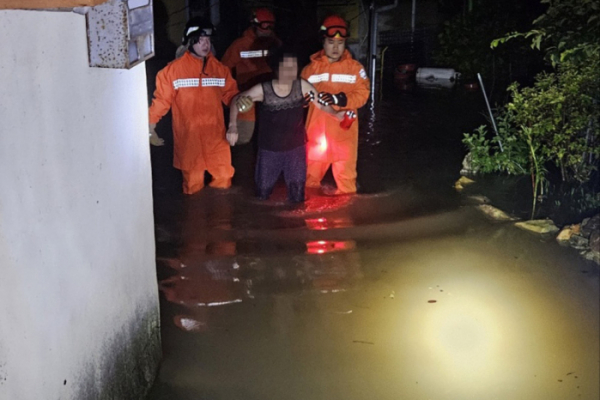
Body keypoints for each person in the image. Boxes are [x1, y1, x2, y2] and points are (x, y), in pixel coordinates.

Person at [226, 49, 343, 203]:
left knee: (298, 196)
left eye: (293, 67)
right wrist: (233, 126)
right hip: (269, 150)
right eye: (286, 67)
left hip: (296, 149)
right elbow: (236, 100)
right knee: (262, 195)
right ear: (277, 68)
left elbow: (321, 104)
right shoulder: (263, 89)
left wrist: (336, 114)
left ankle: (297, 225)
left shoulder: (302, 85)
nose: (290, 71)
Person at [149, 17, 238, 195]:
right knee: (193, 187)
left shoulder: (220, 69)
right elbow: (161, 102)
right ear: (189, 41)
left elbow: (233, 97)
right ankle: (195, 219)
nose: (205, 44)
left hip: (216, 136)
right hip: (189, 139)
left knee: (224, 180)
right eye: (200, 40)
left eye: (208, 40)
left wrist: (238, 119)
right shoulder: (171, 72)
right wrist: (150, 128)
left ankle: (221, 221)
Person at [300, 15, 370, 195]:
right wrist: (302, 102)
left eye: (340, 43)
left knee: (346, 186)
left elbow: (363, 94)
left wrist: (340, 99)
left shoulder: (355, 69)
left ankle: (346, 220)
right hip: (316, 136)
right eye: (331, 42)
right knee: (308, 183)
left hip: (344, 136)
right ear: (323, 42)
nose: (336, 47)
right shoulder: (310, 69)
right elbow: (298, 98)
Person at [221, 8, 282, 145]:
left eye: (270, 26)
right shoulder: (240, 45)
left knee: (271, 139)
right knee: (243, 138)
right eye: (263, 26)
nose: (266, 30)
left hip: (269, 96)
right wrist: (230, 92)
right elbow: (223, 69)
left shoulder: (276, 44)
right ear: (254, 25)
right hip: (246, 95)